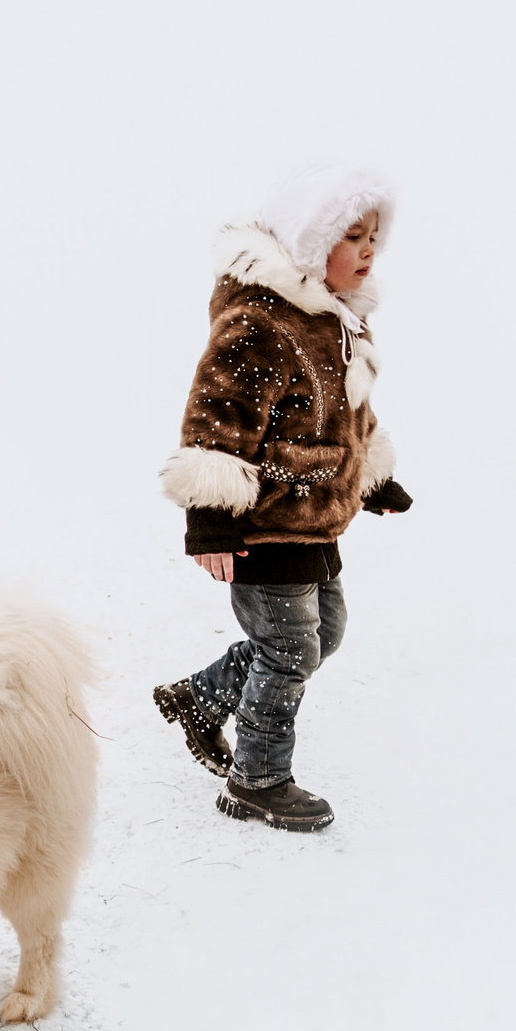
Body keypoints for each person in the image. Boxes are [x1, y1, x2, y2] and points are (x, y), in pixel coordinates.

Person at [152, 163, 412, 832]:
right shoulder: (263, 321)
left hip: (316, 516)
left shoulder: (337, 323)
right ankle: (257, 779)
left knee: (324, 636)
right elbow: (217, 414)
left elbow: (350, 418)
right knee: (291, 650)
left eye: (374, 236)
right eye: (351, 235)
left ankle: (202, 699)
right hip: (265, 515)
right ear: (306, 240)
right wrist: (209, 517)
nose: (368, 249)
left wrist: (373, 478)